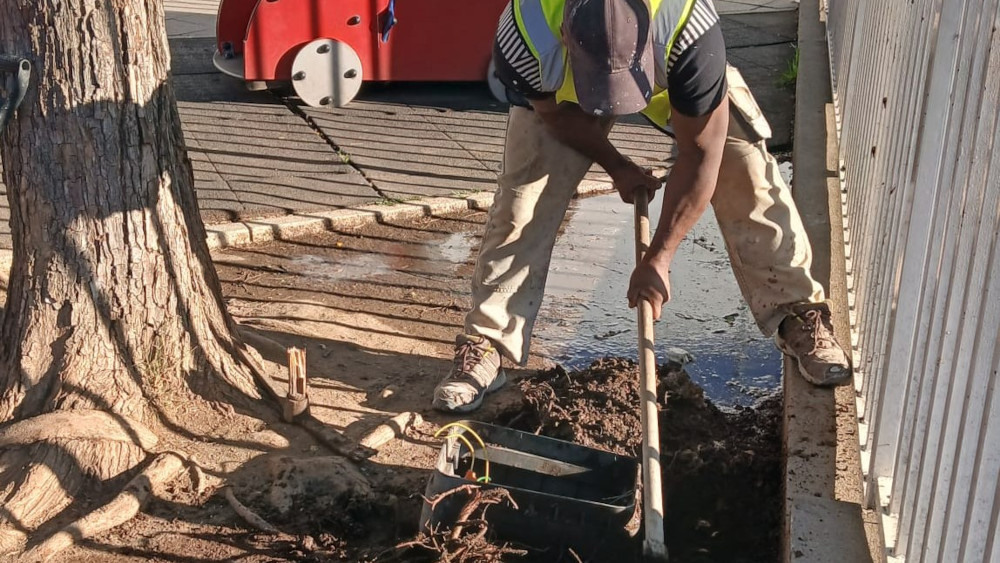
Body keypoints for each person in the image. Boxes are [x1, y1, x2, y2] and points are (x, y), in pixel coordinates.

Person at [432, 0, 852, 413]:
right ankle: (486, 340)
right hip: (566, 91)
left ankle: (799, 313)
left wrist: (660, 257)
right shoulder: (525, 32)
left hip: (670, 71)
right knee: (523, 198)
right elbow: (554, 117)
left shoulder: (690, 31)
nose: (614, 103)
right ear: (566, 36)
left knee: (746, 172)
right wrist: (617, 166)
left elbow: (702, 154)